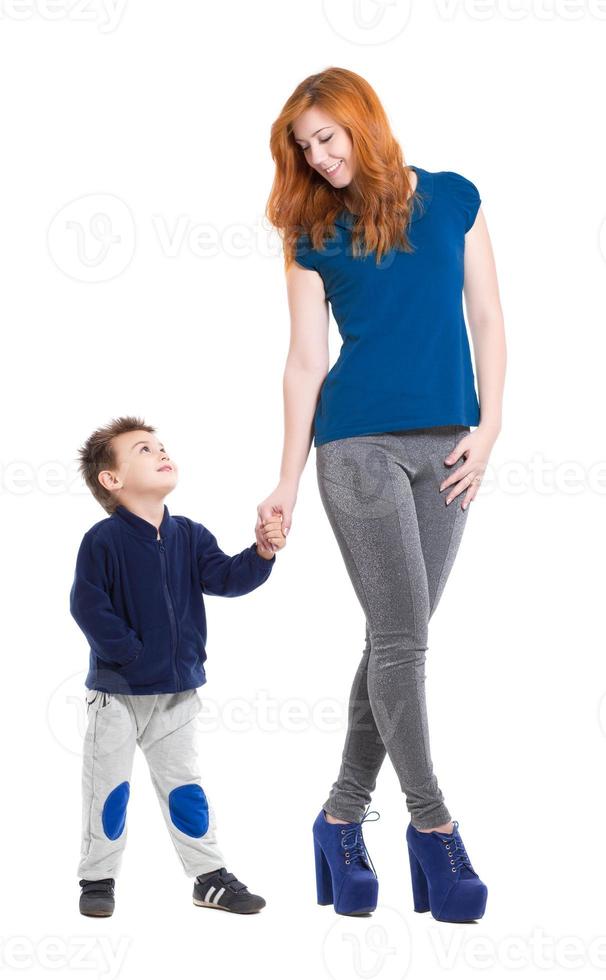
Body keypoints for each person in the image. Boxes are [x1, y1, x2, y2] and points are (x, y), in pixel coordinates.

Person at [257, 67, 506, 921]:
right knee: (404, 642)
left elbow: (487, 319)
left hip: (449, 450)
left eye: (328, 137)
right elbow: (303, 362)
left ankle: (336, 820)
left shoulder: (453, 197)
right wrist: (286, 480)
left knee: (394, 641)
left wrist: (493, 422)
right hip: (355, 445)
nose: (319, 158)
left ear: (364, 122)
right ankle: (434, 833)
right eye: (305, 147)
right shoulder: (308, 231)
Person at [69, 415, 286, 916]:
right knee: (110, 791)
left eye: (161, 445)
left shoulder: (189, 534)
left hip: (177, 696)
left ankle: (208, 877)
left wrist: (261, 552)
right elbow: (88, 606)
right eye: (144, 449)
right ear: (112, 479)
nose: (161, 452)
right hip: (118, 696)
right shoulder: (103, 541)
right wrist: (131, 655)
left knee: (185, 789)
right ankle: (97, 879)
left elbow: (228, 578)